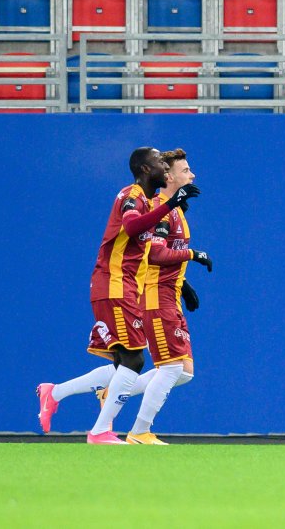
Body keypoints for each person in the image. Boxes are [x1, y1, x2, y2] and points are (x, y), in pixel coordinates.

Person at [36, 147, 200, 444]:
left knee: (124, 363)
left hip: (127, 288)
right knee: (136, 362)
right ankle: (104, 431)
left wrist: (183, 280)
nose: (164, 166)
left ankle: (55, 393)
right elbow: (131, 225)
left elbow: (151, 251)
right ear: (145, 169)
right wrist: (171, 206)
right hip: (114, 284)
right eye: (159, 162)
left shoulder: (150, 202)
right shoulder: (132, 195)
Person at [125, 148, 211, 444]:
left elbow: (162, 256)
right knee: (172, 367)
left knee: (183, 372)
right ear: (170, 176)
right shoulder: (160, 209)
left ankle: (115, 390)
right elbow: (156, 253)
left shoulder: (175, 210)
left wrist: (183, 285)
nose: (192, 175)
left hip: (168, 296)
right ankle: (139, 432)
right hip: (155, 299)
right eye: (186, 170)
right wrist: (193, 254)